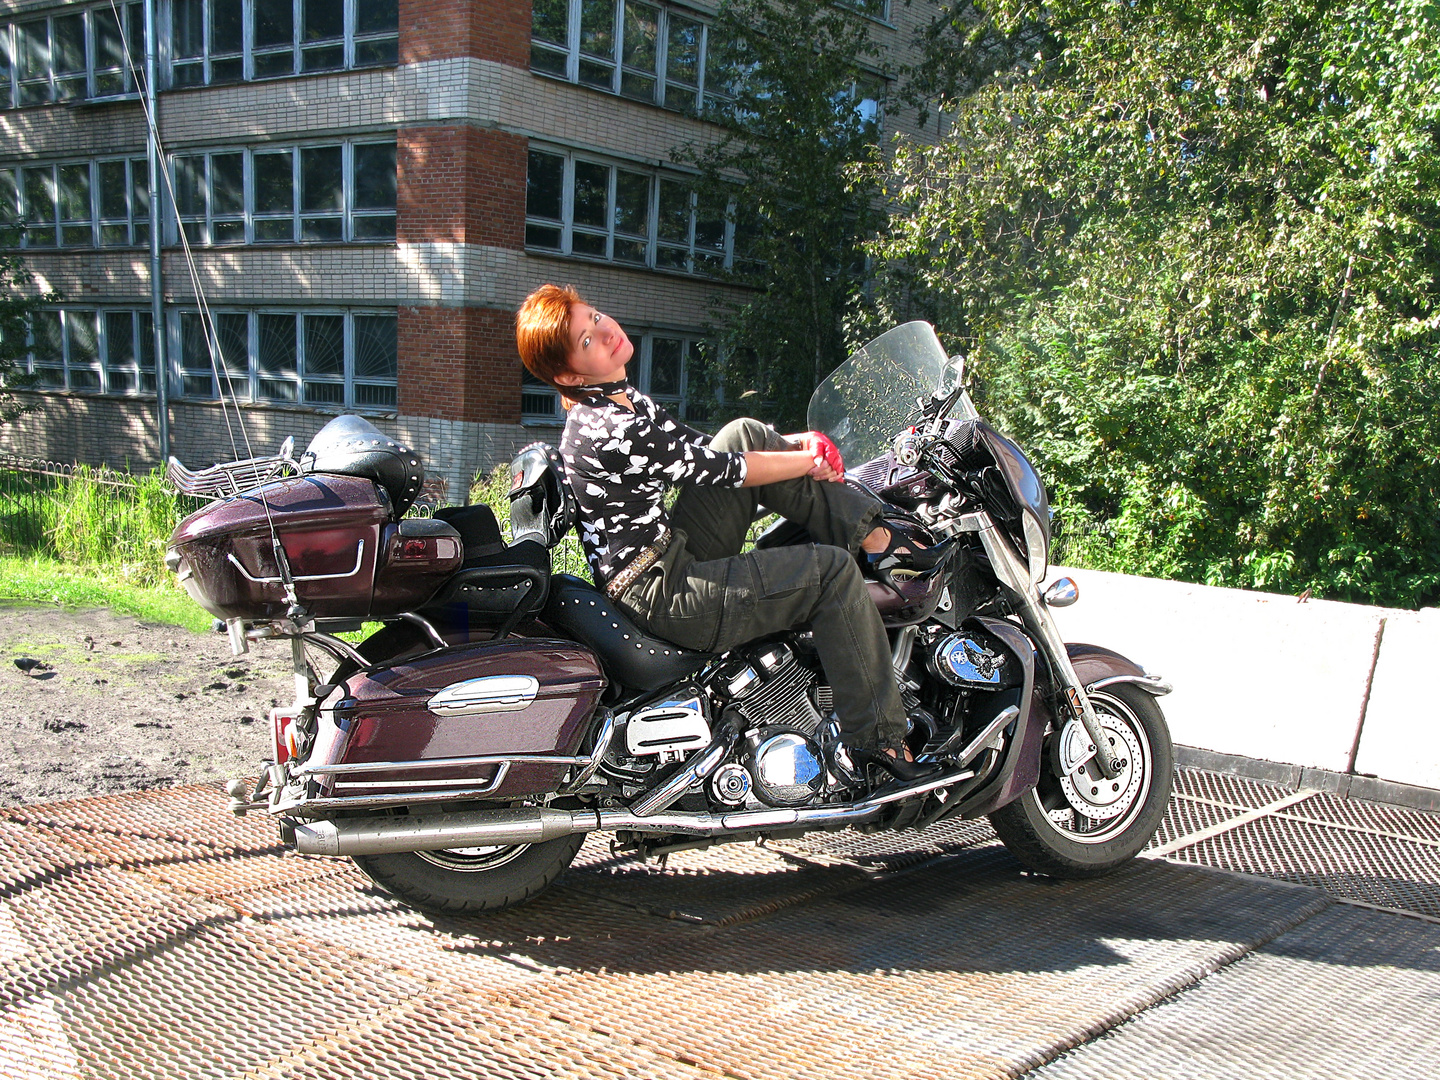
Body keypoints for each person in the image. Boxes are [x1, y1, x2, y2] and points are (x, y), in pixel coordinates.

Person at [514, 283, 936, 783]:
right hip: (660, 593)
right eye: (587, 339)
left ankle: (878, 538)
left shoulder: (620, 401)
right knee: (831, 574)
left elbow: (706, 451)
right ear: (568, 373)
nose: (605, 331)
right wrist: (807, 458)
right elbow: (720, 471)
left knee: (744, 432)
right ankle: (882, 746)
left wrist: (796, 447)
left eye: (596, 316)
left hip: (668, 554)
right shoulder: (609, 426)